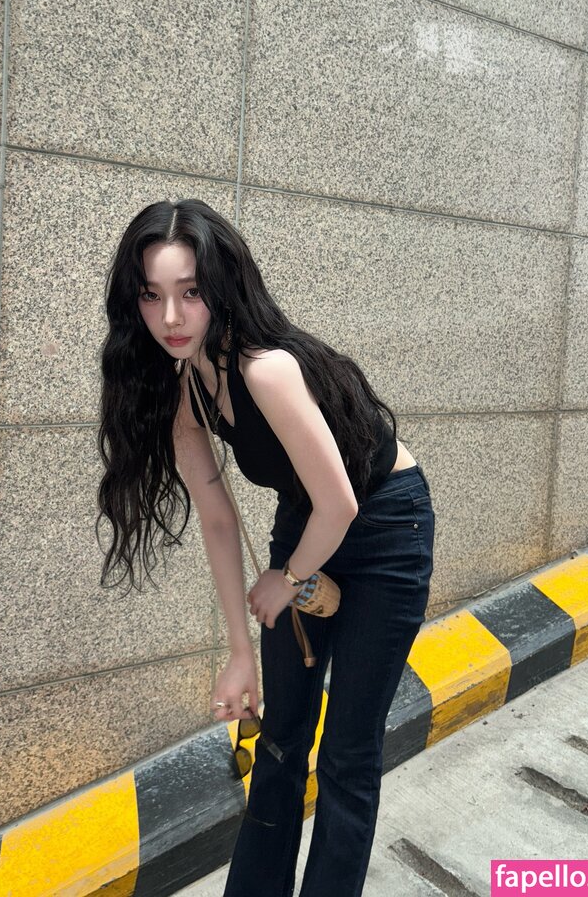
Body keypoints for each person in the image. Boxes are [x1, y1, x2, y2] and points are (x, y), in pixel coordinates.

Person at [96, 197, 435, 897]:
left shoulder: (265, 369)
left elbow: (342, 504)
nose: (170, 317)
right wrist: (238, 652)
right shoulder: (186, 391)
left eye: (190, 293)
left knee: (347, 752)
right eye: (152, 295)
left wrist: (287, 578)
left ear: (222, 288)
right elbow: (219, 522)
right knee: (280, 738)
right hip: (305, 523)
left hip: (384, 527)